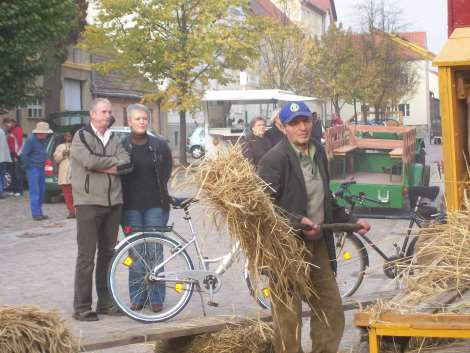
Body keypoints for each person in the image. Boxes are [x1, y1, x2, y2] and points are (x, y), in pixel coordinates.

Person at [257, 101, 370, 353]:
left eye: (306, 121)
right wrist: (297, 222)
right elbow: (264, 210)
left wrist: (351, 222)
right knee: (288, 319)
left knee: (331, 310)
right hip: (285, 250)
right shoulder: (273, 160)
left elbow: (326, 199)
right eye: (295, 123)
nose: (302, 127)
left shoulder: (318, 151)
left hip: (318, 247)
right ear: (283, 127)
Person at [70, 98, 132, 321]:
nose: (108, 115)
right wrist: (111, 165)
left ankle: (105, 303)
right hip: (88, 203)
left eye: (109, 112)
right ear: (93, 114)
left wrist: (104, 165)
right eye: (104, 112)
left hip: (113, 203)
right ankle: (82, 307)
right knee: (86, 257)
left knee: (108, 255)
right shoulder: (81, 136)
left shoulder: (114, 137)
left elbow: (126, 162)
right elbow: (88, 161)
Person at [121, 103, 173, 313]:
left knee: (155, 253)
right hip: (130, 207)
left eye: (144, 118)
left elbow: (167, 170)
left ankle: (156, 297)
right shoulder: (122, 145)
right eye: (137, 119)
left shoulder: (159, 145)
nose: (141, 122)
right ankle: (137, 296)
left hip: (155, 206)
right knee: (136, 255)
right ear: (129, 121)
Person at [20, 121, 53, 220]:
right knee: (35, 192)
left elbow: (43, 152)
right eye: (45, 133)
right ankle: (36, 214)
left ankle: (39, 212)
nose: (46, 135)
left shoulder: (43, 140)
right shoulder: (31, 140)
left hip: (41, 168)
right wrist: (28, 167)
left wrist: (47, 159)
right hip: (33, 169)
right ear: (40, 132)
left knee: (41, 191)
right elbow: (24, 155)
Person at [53, 131, 75, 219]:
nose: (68, 137)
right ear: (64, 137)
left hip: (74, 173)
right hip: (64, 173)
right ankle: (71, 212)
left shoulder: (77, 145)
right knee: (67, 195)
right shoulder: (60, 147)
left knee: (76, 195)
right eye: (67, 136)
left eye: (70, 136)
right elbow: (56, 159)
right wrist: (63, 154)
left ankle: (77, 211)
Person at [4, 118, 24, 196]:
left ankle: (19, 190)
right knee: (12, 172)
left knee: (17, 173)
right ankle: (13, 189)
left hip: (16, 155)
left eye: (7, 125)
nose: (6, 127)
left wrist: (16, 155)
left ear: (11, 123)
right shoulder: (11, 131)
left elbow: (19, 143)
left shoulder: (17, 130)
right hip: (11, 154)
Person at [0, 124, 12, 199]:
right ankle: (2, 191)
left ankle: (1, 191)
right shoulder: (2, 132)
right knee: (2, 174)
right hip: (3, 158)